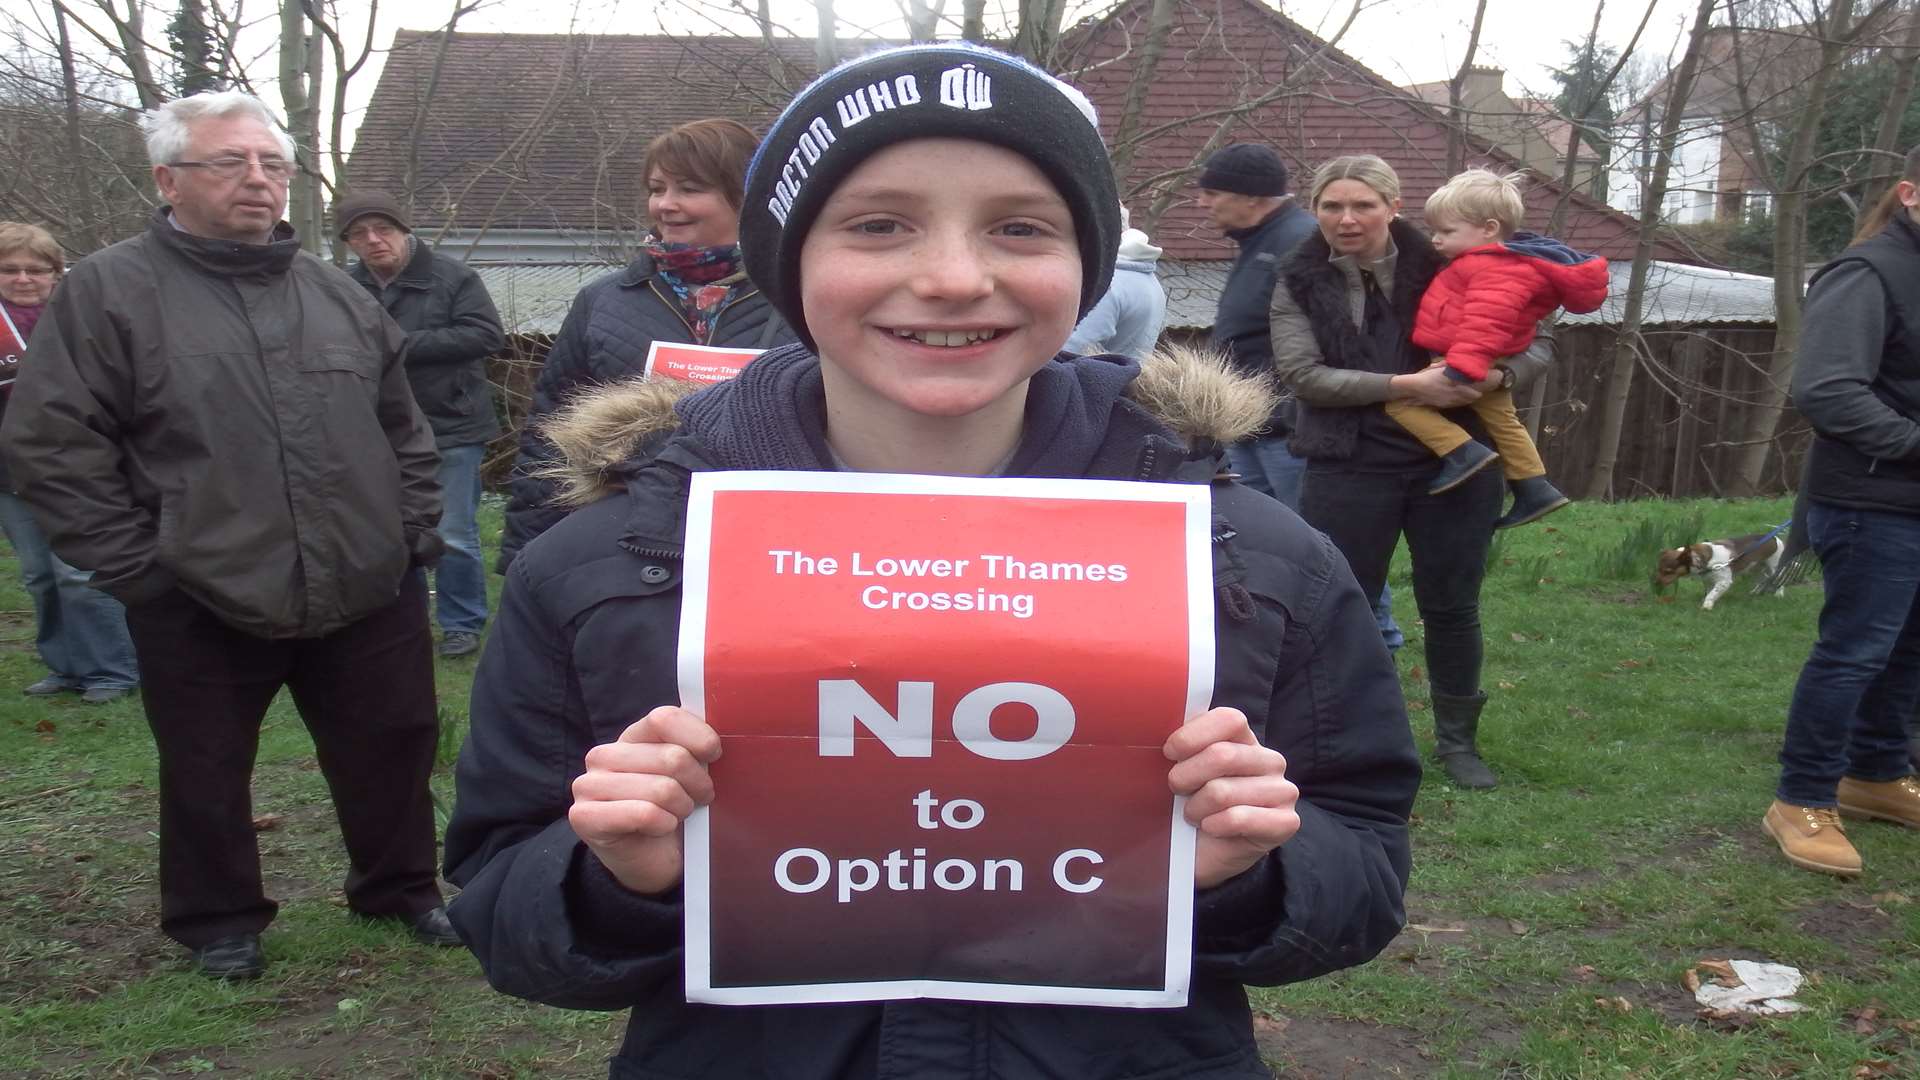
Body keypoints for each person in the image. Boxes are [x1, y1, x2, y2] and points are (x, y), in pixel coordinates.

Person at [445, 44, 1419, 1079]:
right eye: (878, 224)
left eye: (1020, 228)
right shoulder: (611, 559)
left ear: (1083, 266)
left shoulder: (1251, 557)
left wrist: (1235, 875)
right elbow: (501, 904)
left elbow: (1362, 867)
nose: (954, 278)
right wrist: (618, 881)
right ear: (790, 262)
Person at [0, 90, 460, 980]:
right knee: (206, 766)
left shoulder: (336, 294)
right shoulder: (108, 290)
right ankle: (219, 921)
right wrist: (138, 565)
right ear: (168, 179)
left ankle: (402, 888)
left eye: (272, 165)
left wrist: (411, 536)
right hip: (198, 586)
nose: (258, 180)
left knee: (394, 743)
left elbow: (403, 428)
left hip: (366, 579)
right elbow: (52, 440)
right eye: (230, 162)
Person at [1270, 155, 1555, 791]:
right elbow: (1302, 375)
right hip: (1349, 463)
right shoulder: (1297, 277)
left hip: (1457, 465)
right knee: (1337, 607)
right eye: (1332, 206)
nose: (1346, 219)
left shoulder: (1455, 256)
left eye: (1362, 205)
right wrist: (1404, 385)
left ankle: (1458, 744)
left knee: (1453, 606)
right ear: (1315, 210)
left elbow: (1536, 340)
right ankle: (1337, 740)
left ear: (1393, 208)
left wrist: (1500, 376)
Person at [497, 118, 796, 571]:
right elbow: (550, 432)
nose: (666, 205)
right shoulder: (604, 300)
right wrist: (524, 554)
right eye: (658, 189)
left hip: (764, 536)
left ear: (746, 195)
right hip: (625, 537)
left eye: (690, 189)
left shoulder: (797, 295)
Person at [1762, 144, 1920, 878]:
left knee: (1907, 649)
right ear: (1910, 194)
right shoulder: (1868, 273)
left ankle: (1876, 776)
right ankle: (1801, 799)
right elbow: (1827, 390)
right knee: (1855, 651)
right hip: (1870, 500)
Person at [1197, 143, 1405, 650]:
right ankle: (1295, 642)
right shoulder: (1263, 241)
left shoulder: (1297, 244)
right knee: (1268, 544)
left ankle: (1375, 643)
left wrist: (1294, 408)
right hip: (1254, 427)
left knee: (1326, 547)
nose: (1205, 204)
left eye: (1212, 193)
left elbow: (1333, 340)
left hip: (1291, 431)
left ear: (1249, 196)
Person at [339, 190, 507, 659]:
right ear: (349, 242)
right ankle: (399, 618)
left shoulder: (452, 277)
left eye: (383, 230)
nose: (373, 241)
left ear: (403, 229)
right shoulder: (345, 287)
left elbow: (486, 335)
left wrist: (400, 344)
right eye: (359, 234)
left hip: (452, 423)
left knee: (452, 531)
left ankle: (461, 623)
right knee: (386, 528)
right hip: (377, 427)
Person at [1403, 169, 1597, 527]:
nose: (1435, 240)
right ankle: (1534, 487)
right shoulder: (1491, 262)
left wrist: (1461, 371)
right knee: (1503, 421)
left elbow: (1485, 323)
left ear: (1489, 229)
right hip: (1486, 357)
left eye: (1446, 232)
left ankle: (1462, 452)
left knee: (1399, 401)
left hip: (1468, 357)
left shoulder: (1494, 269)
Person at [0, 222, 139, 704]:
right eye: (10, 269)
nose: (23, 279)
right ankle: (64, 664)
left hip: (72, 468)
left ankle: (111, 668)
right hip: (9, 474)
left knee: (79, 572)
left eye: (36, 270)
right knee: (39, 575)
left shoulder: (78, 318)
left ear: (56, 275)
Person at [1064, 206, 1166, 359]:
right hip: (1128, 378)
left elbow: (1070, 350)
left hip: (1091, 380)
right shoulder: (1148, 280)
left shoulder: (1108, 285)